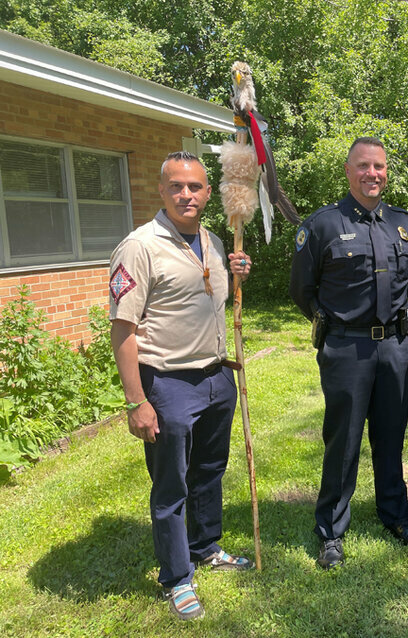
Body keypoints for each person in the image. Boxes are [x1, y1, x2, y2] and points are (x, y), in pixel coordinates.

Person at [109, 151, 254, 620]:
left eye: (195, 187)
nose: (186, 195)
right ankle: (176, 576)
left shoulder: (212, 240)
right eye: (177, 186)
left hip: (216, 376)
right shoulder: (139, 246)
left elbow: (206, 299)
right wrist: (137, 401)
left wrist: (237, 277)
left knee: (209, 473)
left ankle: (206, 547)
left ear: (209, 193)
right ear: (162, 190)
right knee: (171, 485)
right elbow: (123, 331)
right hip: (167, 383)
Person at [289, 137, 408, 569]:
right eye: (363, 166)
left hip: (395, 348)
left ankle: (394, 514)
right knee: (343, 439)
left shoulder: (404, 224)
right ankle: (330, 529)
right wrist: (334, 326)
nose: (372, 174)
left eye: (379, 166)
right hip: (346, 346)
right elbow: (301, 290)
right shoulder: (323, 224)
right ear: (348, 171)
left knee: (391, 434)